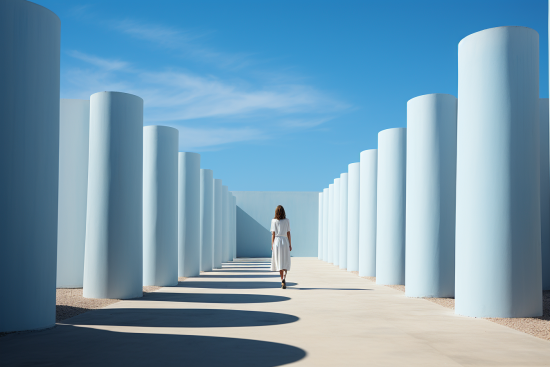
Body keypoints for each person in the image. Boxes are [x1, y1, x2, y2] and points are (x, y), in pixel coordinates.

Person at [271, 205, 292, 289]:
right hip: (285, 241)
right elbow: (288, 233)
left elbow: (273, 234)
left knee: (279, 262)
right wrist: (290, 244)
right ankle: (284, 278)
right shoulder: (287, 221)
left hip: (277, 241)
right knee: (285, 261)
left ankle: (282, 279)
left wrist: (272, 245)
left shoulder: (273, 221)